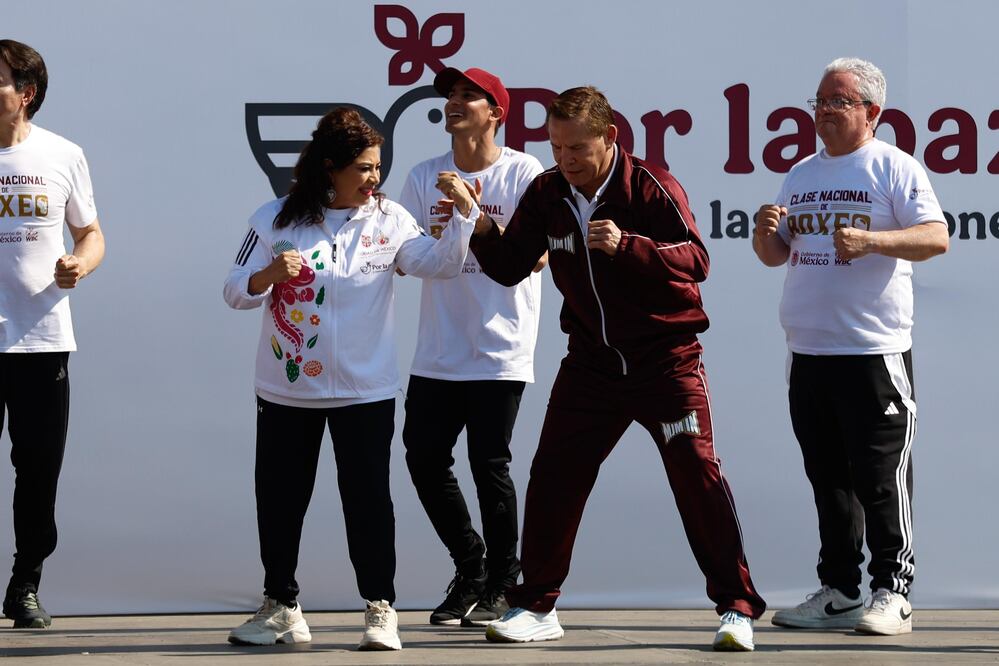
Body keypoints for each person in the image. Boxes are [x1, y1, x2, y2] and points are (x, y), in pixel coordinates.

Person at [449, 86, 765, 651]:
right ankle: (538, 603)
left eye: (576, 147)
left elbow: (698, 259)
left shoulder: (649, 186)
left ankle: (736, 607)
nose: (565, 159)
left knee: (696, 476)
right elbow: (507, 266)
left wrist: (630, 246)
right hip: (591, 367)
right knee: (552, 477)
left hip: (666, 364)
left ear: (609, 138)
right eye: (556, 147)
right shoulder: (546, 193)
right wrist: (478, 226)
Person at [222, 107, 479, 651]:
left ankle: (379, 608)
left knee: (367, 500)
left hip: (366, 391)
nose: (374, 179)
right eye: (363, 168)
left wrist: (461, 219)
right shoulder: (273, 219)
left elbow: (440, 265)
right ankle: (282, 606)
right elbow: (234, 289)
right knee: (280, 500)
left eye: (378, 166)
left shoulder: (390, 219)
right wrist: (269, 276)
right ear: (330, 167)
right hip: (288, 390)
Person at [753, 58, 948, 636]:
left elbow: (935, 236)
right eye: (818, 100)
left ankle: (894, 592)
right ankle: (839, 589)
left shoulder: (894, 167)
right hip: (809, 350)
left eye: (837, 101)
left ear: (872, 112)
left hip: (873, 350)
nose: (823, 111)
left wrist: (873, 240)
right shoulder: (800, 173)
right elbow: (774, 255)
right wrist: (767, 233)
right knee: (828, 480)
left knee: (880, 477)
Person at [398, 66, 545, 628]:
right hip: (438, 348)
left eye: (468, 96)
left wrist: (471, 212)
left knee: (490, 464)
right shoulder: (422, 174)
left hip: (500, 346)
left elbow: (536, 257)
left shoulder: (523, 171)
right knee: (424, 457)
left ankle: (505, 585)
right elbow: (409, 254)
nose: (454, 103)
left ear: (496, 112)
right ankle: (472, 566)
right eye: (451, 96)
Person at [0, 39, 105, 629]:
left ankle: (25, 585)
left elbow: (91, 234)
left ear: (26, 93)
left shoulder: (63, 155)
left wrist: (80, 264)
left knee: (38, 469)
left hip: (40, 339)